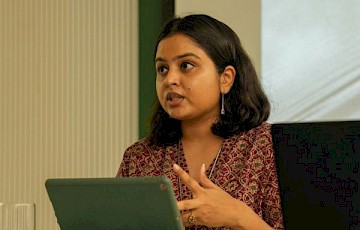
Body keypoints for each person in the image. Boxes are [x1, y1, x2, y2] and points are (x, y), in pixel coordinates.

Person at [116, 14, 284, 230]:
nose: (170, 80)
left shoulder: (268, 147)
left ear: (225, 79)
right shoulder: (139, 158)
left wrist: (237, 216)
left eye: (186, 65)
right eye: (162, 69)